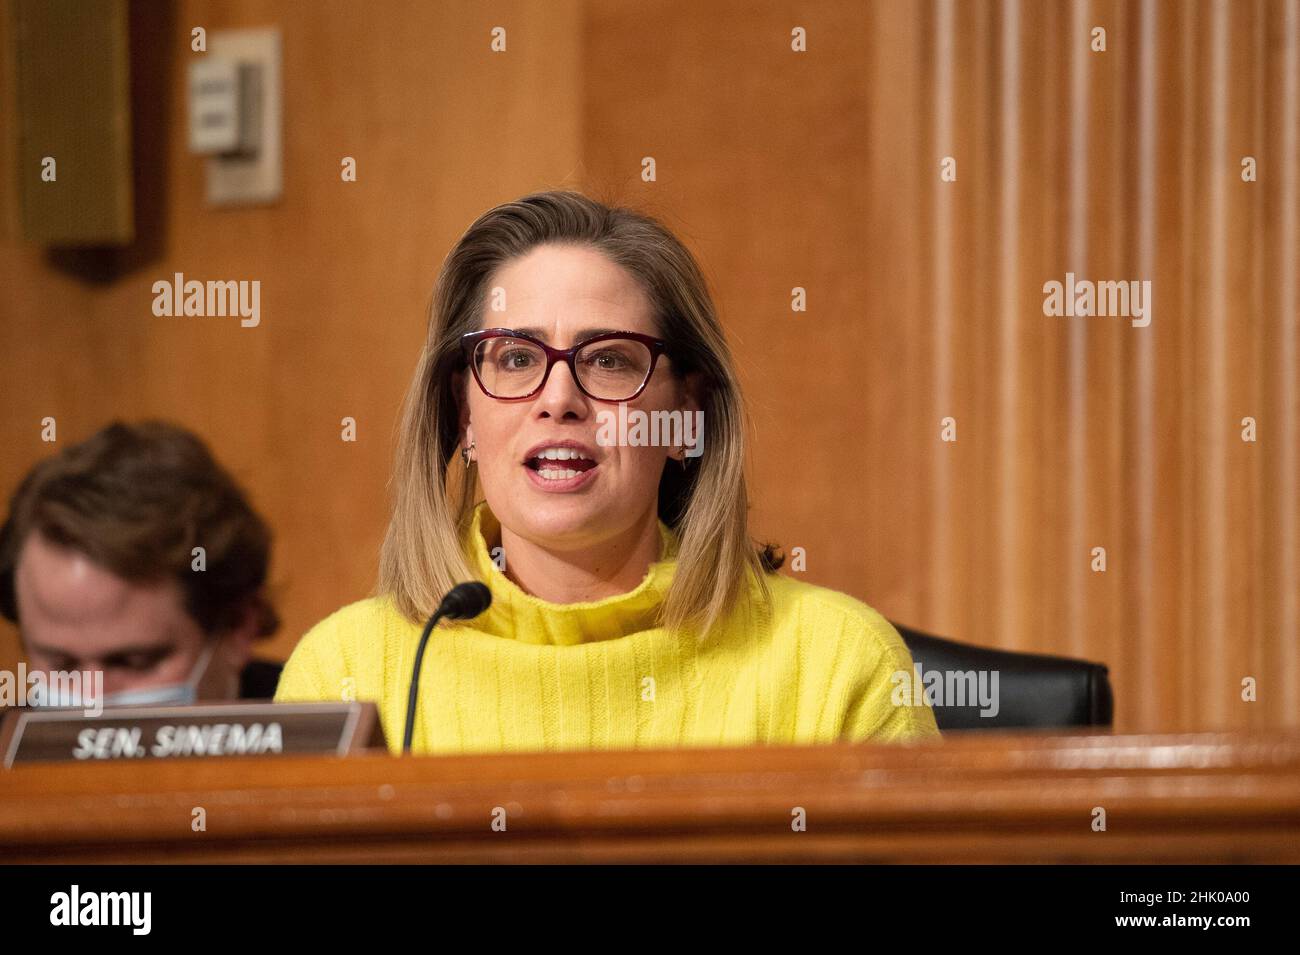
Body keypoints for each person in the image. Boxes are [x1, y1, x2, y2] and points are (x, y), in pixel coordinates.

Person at [275, 189, 940, 753]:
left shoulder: (837, 667)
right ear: (465, 414)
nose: (558, 398)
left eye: (609, 360)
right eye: (515, 358)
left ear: (686, 413)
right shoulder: (345, 672)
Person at [0, 421, 283, 707]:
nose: (91, 699)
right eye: (61, 665)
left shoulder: (309, 720)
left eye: (133, 662)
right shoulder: (8, 733)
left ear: (238, 627)